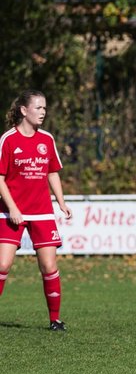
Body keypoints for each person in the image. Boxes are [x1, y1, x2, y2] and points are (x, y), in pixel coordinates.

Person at [0, 90, 72, 331]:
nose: (43, 112)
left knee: (49, 267)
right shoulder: (8, 140)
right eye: (38, 108)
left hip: (41, 212)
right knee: (2, 265)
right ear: (23, 110)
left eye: (44, 108)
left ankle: (55, 320)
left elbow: (52, 172)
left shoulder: (47, 139)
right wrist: (12, 208)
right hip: (11, 212)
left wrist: (61, 202)